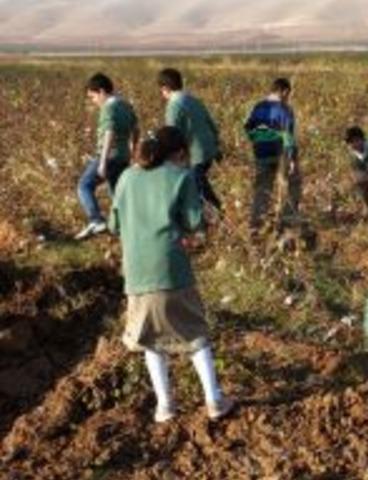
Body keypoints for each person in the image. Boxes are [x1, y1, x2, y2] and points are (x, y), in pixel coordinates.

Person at [109, 128, 233, 423]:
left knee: (151, 340)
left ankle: (164, 407)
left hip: (136, 272)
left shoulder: (126, 177)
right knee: (194, 333)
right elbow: (193, 222)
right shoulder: (181, 177)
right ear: (178, 153)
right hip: (170, 268)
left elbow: (114, 225)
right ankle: (214, 400)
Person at [75, 72, 139, 240]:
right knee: (117, 194)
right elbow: (136, 129)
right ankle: (124, 228)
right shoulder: (126, 105)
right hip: (123, 157)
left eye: (93, 97)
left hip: (109, 156)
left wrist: (102, 161)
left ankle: (96, 220)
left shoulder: (108, 108)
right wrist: (132, 151)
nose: (93, 101)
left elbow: (109, 132)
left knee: (84, 186)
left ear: (102, 91)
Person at [158, 68, 223, 211]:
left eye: (161, 91)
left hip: (195, 155)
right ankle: (215, 212)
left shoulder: (174, 105)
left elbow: (171, 136)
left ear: (165, 88)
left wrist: (165, 159)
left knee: (197, 188)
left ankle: (218, 214)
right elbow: (211, 124)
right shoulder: (193, 100)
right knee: (199, 184)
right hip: (208, 150)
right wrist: (217, 146)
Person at [244, 77, 301, 235]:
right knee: (290, 185)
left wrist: (259, 140)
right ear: (284, 91)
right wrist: (292, 160)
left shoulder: (257, 107)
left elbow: (248, 127)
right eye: (288, 94)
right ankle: (285, 220)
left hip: (261, 153)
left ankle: (256, 224)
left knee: (262, 189)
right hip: (280, 154)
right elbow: (288, 137)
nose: (288, 97)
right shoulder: (285, 109)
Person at [344, 125, 368, 217]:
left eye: (355, 141)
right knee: (360, 186)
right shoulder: (353, 157)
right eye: (350, 143)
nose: (353, 145)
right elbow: (357, 172)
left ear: (361, 139)